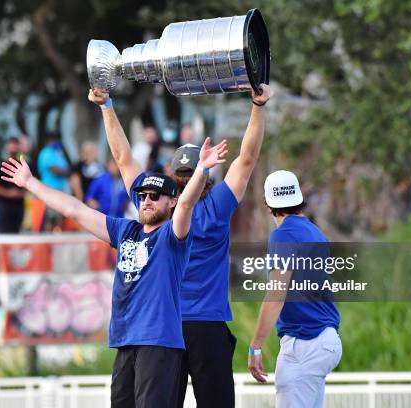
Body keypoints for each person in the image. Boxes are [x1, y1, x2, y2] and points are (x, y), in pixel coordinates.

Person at [0, 137, 228, 408]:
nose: (146, 201)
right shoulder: (125, 230)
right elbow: (75, 209)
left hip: (158, 343)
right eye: (142, 196)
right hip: (125, 339)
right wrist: (30, 183)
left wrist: (201, 169)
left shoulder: (172, 235)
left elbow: (188, 205)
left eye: (155, 197)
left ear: (171, 202)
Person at [88, 83, 273, 408]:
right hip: (206, 326)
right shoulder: (217, 206)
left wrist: (107, 106)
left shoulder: (158, 206)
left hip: (164, 329)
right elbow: (247, 159)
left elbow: (122, 157)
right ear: (207, 174)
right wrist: (258, 106)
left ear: (172, 180)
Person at [248, 170, 342, 408]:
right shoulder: (315, 232)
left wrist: (256, 345)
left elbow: (277, 294)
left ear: (268, 204)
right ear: (299, 198)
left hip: (304, 343)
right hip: (326, 339)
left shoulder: (283, 235)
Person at [0, 137, 25, 233]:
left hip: (18, 205)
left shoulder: (23, 167)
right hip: (3, 204)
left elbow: (30, 183)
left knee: (16, 231)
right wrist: (9, 193)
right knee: (4, 231)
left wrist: (20, 193)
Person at [37, 135, 70, 230]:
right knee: (50, 218)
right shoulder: (46, 153)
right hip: (49, 190)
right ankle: (48, 239)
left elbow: (65, 169)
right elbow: (56, 171)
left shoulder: (57, 153)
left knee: (58, 217)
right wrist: (66, 172)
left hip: (60, 190)